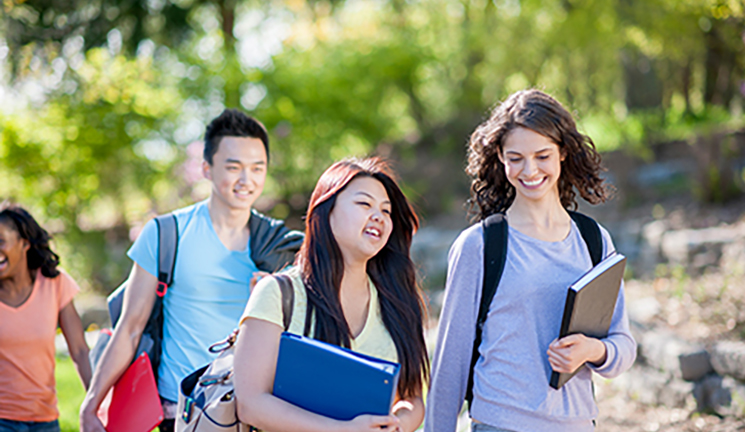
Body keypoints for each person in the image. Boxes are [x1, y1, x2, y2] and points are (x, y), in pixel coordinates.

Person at [424, 89, 637, 432]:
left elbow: (623, 346)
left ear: (563, 153)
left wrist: (591, 351)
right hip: (499, 423)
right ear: (500, 157)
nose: (530, 170)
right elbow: (451, 361)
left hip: (578, 424)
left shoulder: (594, 240)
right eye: (516, 158)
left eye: (542, 156)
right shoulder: (479, 246)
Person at [80, 109, 304, 432]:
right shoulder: (166, 234)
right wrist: (91, 405)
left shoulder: (277, 247)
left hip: (253, 411)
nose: (247, 180)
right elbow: (129, 328)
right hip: (183, 410)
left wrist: (274, 292)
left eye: (258, 168)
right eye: (233, 167)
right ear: (207, 169)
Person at [234, 157, 429, 432]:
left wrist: (397, 425)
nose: (379, 216)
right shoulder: (278, 293)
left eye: (386, 211)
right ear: (326, 212)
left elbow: (412, 396)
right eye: (364, 204)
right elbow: (251, 403)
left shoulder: (398, 300)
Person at [0, 203, 92, 432]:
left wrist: (96, 405)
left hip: (45, 421)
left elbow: (80, 350)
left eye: (0, 241)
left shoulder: (55, 284)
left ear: (24, 244)